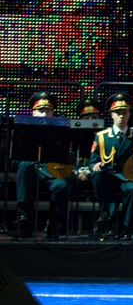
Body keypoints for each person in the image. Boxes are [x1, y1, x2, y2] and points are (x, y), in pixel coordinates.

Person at [12, 92, 70, 239]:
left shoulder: (61, 132)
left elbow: (67, 157)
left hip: (51, 172)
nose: (44, 114)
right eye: (41, 110)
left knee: (61, 185)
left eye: (47, 110)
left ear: (52, 112)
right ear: (33, 112)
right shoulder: (22, 131)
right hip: (30, 171)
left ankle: (54, 226)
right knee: (25, 166)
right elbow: (13, 160)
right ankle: (23, 216)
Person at [90, 95, 133, 238]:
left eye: (124, 113)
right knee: (97, 174)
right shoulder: (102, 136)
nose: (121, 116)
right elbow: (92, 161)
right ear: (112, 115)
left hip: (127, 176)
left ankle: (125, 226)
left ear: (129, 115)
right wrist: (96, 165)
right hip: (109, 176)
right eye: (118, 113)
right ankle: (104, 212)